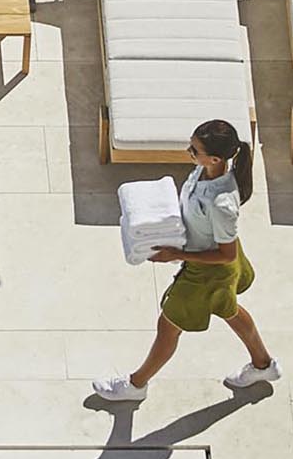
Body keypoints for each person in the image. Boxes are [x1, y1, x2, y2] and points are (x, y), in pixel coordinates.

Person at [85, 118, 280, 414]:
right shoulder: (204, 171)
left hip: (209, 272)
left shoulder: (222, 203)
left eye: (194, 149)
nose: (189, 151)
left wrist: (175, 254)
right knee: (229, 309)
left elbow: (226, 255)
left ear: (214, 158)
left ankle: (135, 386)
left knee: (168, 326)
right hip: (207, 266)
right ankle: (263, 364)